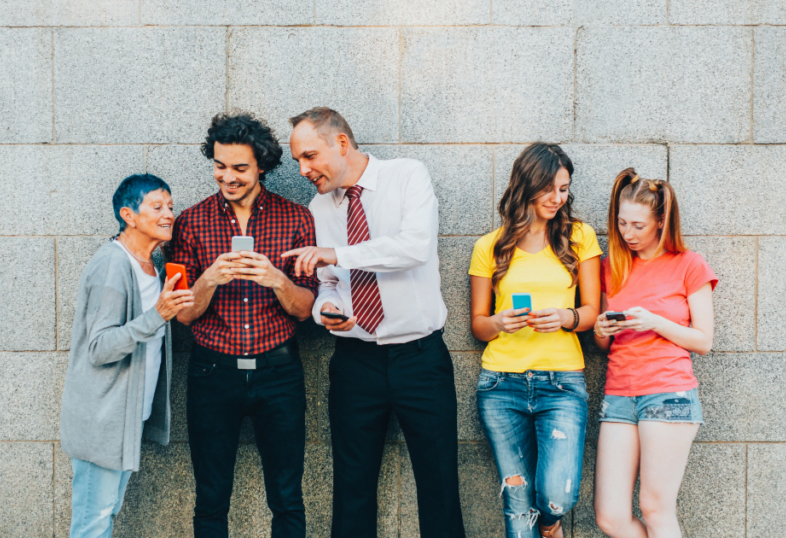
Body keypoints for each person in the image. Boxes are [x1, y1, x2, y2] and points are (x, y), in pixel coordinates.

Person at [283, 107, 465, 538]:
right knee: (352, 489)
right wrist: (325, 309)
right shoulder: (319, 207)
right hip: (355, 362)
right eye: (298, 162)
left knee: (439, 486)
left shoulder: (407, 176)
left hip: (421, 360)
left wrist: (338, 254)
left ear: (341, 143)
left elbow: (413, 248)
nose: (305, 170)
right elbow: (327, 282)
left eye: (310, 156)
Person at [166, 113, 319, 538]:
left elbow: (306, 309)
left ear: (262, 166)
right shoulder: (191, 223)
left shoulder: (297, 220)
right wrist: (209, 278)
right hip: (213, 372)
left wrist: (277, 279)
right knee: (211, 497)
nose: (227, 177)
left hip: (279, 370)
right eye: (219, 165)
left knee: (287, 497)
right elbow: (183, 314)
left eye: (239, 168)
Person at [468, 144, 601, 538]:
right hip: (500, 384)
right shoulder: (488, 246)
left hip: (562, 384)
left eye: (564, 189)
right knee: (517, 501)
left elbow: (593, 310)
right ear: (525, 185)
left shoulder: (580, 237)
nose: (557, 198)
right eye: (549, 188)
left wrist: (566, 317)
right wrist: (499, 322)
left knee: (556, 495)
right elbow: (478, 324)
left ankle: (551, 523)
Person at [60, 174, 194, 538]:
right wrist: (158, 315)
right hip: (101, 420)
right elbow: (99, 348)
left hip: (125, 420)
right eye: (157, 207)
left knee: (107, 512)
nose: (168, 214)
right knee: (94, 521)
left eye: (170, 206)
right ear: (128, 215)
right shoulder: (113, 264)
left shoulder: (155, 265)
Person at [592, 168, 717, 538]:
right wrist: (601, 330)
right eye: (621, 223)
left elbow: (704, 341)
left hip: (668, 394)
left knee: (655, 507)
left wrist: (655, 322)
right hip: (618, 395)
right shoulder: (611, 266)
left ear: (661, 221)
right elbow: (603, 344)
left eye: (638, 226)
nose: (627, 234)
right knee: (610, 517)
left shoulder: (689, 264)